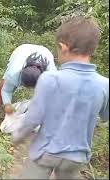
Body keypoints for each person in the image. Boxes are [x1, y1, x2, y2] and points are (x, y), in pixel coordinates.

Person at [12, 16, 109, 179]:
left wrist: (18, 136)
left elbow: (33, 119)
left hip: (45, 152)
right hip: (77, 157)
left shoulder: (49, 79)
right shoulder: (105, 84)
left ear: (63, 47)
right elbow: (105, 117)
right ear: (93, 49)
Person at [0, 44, 57, 114]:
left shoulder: (51, 76)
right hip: (22, 50)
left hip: (45, 52)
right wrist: (7, 105)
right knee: (2, 86)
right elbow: (6, 91)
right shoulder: (13, 72)